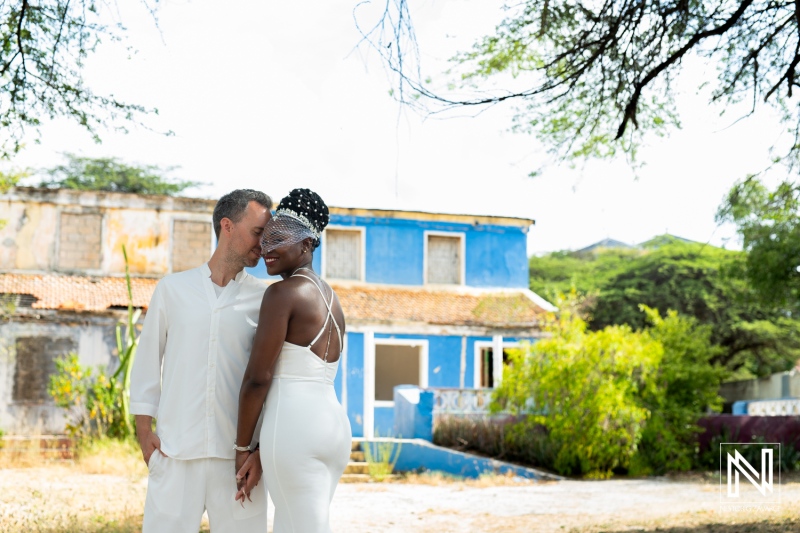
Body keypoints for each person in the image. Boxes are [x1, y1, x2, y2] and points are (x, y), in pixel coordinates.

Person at [130, 189, 272, 533]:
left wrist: (260, 453)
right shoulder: (172, 289)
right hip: (174, 453)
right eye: (257, 233)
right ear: (227, 226)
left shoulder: (266, 299)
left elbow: (271, 378)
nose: (263, 244)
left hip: (238, 461)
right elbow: (148, 357)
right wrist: (143, 429)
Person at [235, 188, 352, 533]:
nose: (268, 248)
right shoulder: (331, 299)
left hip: (294, 430)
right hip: (332, 431)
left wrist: (243, 448)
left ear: (307, 244)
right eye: (267, 237)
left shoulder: (282, 294)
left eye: (280, 238)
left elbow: (258, 378)